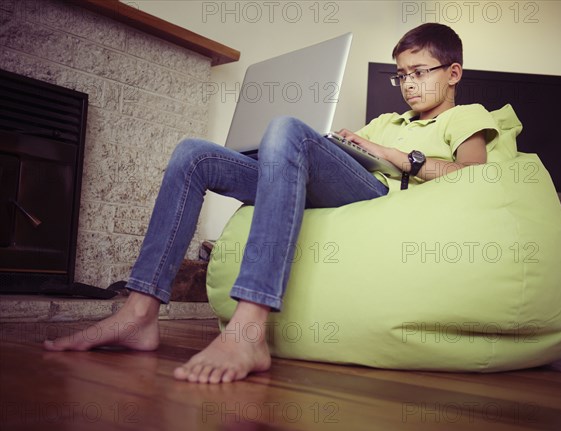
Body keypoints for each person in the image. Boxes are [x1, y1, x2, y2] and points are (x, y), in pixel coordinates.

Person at [43, 23, 499, 384]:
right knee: (193, 154)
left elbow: (474, 175)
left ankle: (248, 329)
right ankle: (138, 313)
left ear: (453, 73)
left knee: (286, 127)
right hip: (349, 179)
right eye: (402, 74)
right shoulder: (386, 119)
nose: (408, 84)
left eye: (420, 72)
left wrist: (395, 155)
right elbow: (353, 157)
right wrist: (342, 144)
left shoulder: (466, 117)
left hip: (380, 193)